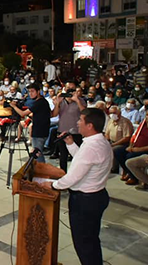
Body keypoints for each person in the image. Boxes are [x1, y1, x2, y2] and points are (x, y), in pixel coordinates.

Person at [42, 108, 112, 265]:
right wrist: (71, 144)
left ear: (90, 125)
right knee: (91, 239)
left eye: (80, 120)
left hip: (85, 201)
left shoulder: (90, 148)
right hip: (97, 196)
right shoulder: (100, 142)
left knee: (84, 243)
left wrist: (53, 185)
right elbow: (84, 161)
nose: (77, 123)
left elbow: (72, 177)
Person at [10, 84, 51, 162]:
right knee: (37, 153)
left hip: (39, 132)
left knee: (37, 154)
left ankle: (41, 171)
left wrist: (14, 106)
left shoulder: (39, 102)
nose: (30, 93)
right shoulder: (42, 101)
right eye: (29, 92)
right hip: (42, 130)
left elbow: (22, 114)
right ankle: (39, 170)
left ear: (38, 91)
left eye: (32, 91)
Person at [51, 82, 86, 171]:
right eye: (68, 88)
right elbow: (54, 114)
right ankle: (63, 174)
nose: (70, 90)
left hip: (76, 132)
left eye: (72, 88)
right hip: (62, 130)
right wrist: (58, 103)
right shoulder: (61, 100)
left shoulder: (80, 100)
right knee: (63, 155)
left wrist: (77, 100)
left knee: (77, 155)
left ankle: (76, 174)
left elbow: (85, 113)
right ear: (64, 89)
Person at [113, 117, 148, 186]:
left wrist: (138, 149)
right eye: (147, 115)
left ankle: (133, 177)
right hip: (134, 147)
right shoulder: (142, 125)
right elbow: (134, 136)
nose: (147, 117)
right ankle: (127, 171)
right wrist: (131, 146)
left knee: (129, 156)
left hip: (144, 149)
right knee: (117, 151)